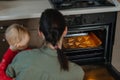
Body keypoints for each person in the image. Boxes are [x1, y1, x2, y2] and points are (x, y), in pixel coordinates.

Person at [6, 9, 84, 80]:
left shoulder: (22, 58)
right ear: (65, 30)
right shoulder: (78, 73)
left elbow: (8, 74)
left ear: (40, 32)